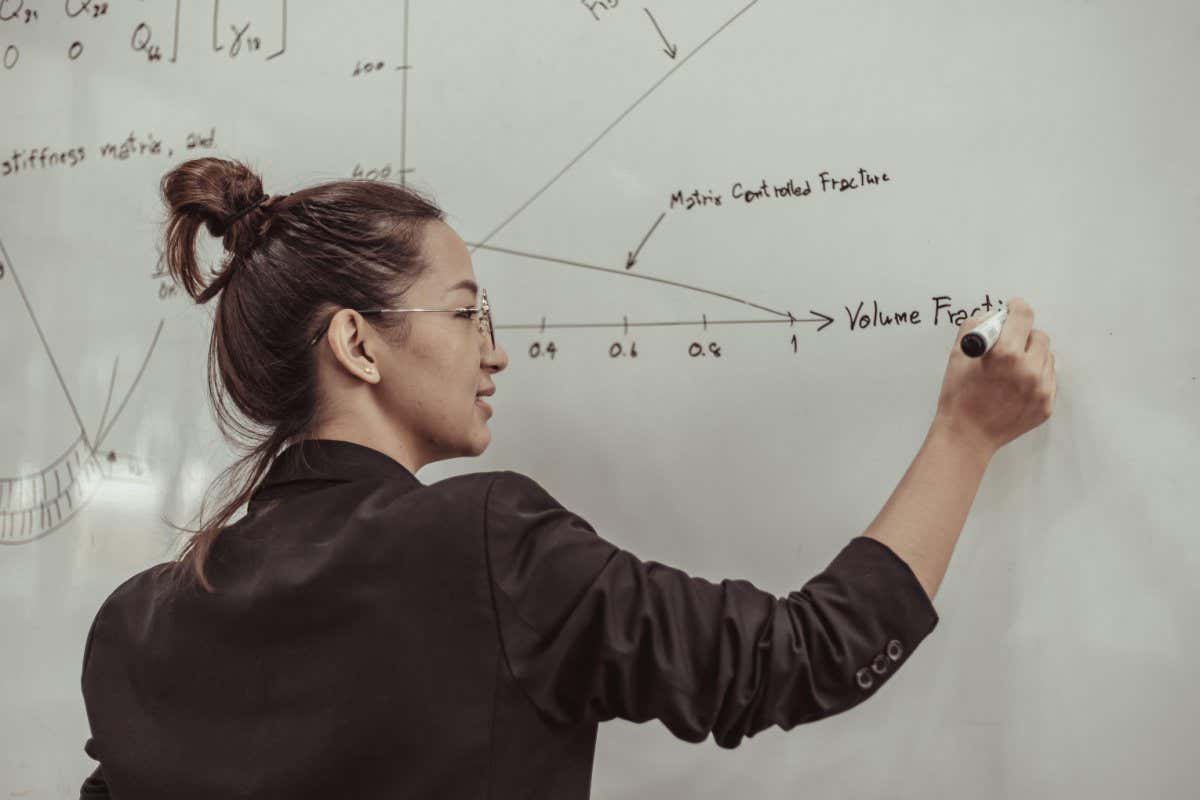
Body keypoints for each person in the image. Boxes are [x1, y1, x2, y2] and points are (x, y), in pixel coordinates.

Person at [77, 157, 1056, 799]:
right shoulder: (485, 542)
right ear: (356, 343)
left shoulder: (132, 625)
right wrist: (965, 434)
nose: (494, 350)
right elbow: (806, 655)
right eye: (466, 312)